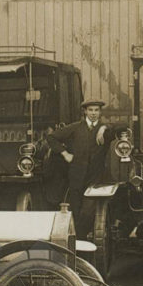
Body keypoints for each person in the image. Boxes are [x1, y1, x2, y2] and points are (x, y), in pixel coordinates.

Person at [48, 99, 112, 236]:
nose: (93, 113)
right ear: (85, 111)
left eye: (96, 110)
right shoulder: (76, 127)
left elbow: (122, 127)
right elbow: (52, 138)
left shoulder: (105, 130)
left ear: (100, 112)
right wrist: (65, 154)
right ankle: (76, 244)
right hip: (76, 176)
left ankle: (83, 240)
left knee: (87, 211)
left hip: (95, 177)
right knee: (75, 211)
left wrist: (104, 128)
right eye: (90, 110)